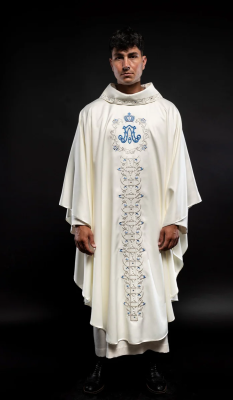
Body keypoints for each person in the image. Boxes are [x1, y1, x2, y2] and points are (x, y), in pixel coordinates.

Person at [59, 27, 202, 395]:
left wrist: (174, 219)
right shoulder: (92, 114)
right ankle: (101, 361)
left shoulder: (166, 112)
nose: (126, 64)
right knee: (106, 285)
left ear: (144, 61)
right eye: (119, 57)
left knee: (151, 288)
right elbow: (80, 171)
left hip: (153, 223)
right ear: (111, 63)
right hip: (107, 223)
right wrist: (81, 222)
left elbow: (178, 169)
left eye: (132, 56)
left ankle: (152, 362)